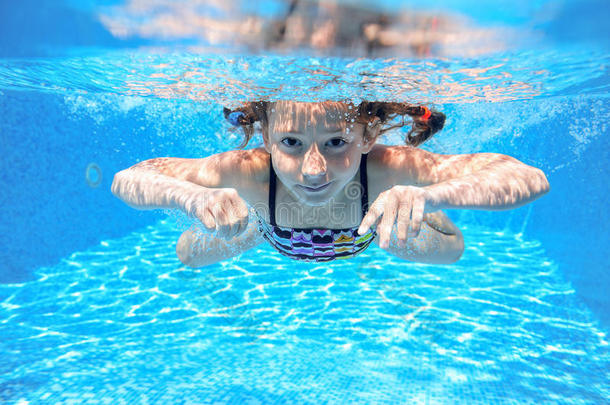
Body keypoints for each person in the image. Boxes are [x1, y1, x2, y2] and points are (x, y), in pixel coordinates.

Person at [111, 101, 549, 267]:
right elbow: (129, 178)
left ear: (367, 137)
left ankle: (413, 216)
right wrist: (188, 195)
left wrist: (427, 195)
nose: (314, 169)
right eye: (291, 143)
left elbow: (527, 177)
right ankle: (257, 231)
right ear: (266, 138)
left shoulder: (387, 166)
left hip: (376, 228)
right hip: (268, 231)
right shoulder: (247, 170)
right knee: (190, 253)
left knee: (447, 248)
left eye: (337, 141)